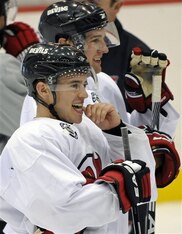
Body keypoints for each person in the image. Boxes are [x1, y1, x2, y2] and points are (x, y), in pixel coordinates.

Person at [0, 42, 153, 234]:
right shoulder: (31, 139)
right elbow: (63, 213)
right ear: (43, 90)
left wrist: (116, 132)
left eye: (84, 84)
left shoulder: (89, 127)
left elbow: (141, 182)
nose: (83, 94)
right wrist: (119, 188)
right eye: (74, 85)